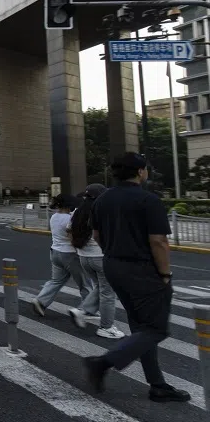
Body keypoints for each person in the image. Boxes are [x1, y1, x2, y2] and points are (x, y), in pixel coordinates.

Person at [84, 152, 190, 403]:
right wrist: (165, 274)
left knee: (141, 329)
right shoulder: (148, 200)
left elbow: (97, 236)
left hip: (113, 266)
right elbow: (159, 241)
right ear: (141, 171)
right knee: (155, 328)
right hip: (143, 271)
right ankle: (102, 363)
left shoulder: (102, 199)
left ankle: (158, 385)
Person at [67, 184, 125, 339]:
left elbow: (69, 230)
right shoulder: (102, 211)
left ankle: (83, 310)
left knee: (101, 287)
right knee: (108, 293)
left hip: (84, 257)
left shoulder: (78, 212)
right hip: (100, 256)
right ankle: (106, 327)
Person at [31, 193, 94, 318]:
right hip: (70, 254)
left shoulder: (54, 217)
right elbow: (75, 235)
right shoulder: (69, 219)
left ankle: (41, 300)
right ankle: (87, 309)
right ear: (69, 205)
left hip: (55, 252)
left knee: (56, 280)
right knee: (85, 283)